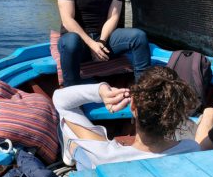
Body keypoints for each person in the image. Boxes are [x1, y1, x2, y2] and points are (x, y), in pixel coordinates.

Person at [52, 66, 201, 169]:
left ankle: (69, 150)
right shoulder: (192, 149)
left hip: (98, 161)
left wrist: (101, 90)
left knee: (70, 133)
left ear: (133, 107)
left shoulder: (105, 156)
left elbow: (60, 101)